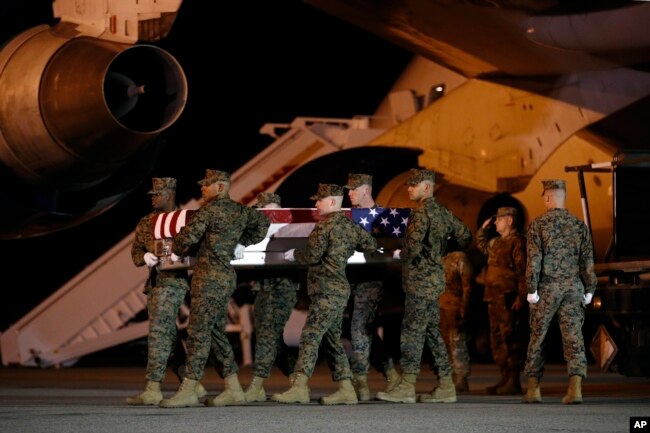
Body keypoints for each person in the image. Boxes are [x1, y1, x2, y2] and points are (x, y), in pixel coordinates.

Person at [159, 169, 270, 408]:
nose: (202, 188)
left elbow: (183, 240)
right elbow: (263, 224)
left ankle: (189, 389)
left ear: (220, 187)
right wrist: (242, 242)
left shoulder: (207, 212)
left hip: (208, 279)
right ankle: (233, 389)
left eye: (207, 185)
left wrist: (177, 244)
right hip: (226, 277)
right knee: (217, 334)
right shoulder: (241, 211)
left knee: (198, 332)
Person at [271, 183, 378, 405]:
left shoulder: (324, 227)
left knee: (310, 336)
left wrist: (293, 255)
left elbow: (311, 256)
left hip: (326, 291)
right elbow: (370, 244)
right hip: (338, 290)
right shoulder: (351, 226)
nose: (316, 204)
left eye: (319, 200)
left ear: (332, 202)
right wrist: (344, 251)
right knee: (332, 341)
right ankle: (347, 389)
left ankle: (299, 387)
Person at [376, 168, 472, 404]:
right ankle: (447, 385)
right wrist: (440, 251)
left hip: (419, 282)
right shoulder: (444, 213)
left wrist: (400, 253)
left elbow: (412, 250)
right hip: (435, 280)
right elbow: (466, 236)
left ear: (427, 188)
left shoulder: (420, 215)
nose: (409, 188)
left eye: (413, 185)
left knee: (412, 332)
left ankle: (407, 386)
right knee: (432, 333)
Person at [126, 177, 208, 405]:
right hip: (153, 284)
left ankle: (153, 387)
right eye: (151, 195)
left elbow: (198, 246)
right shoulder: (146, 222)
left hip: (173, 282)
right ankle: (192, 383)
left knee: (158, 334)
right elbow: (136, 249)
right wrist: (143, 256)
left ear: (170, 194)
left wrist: (183, 256)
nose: (153, 198)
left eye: (157, 194)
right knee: (167, 336)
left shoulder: (185, 221)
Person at [523, 179, 597, 404]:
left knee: (538, 337)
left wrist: (531, 289)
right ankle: (575, 389)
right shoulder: (579, 225)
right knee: (574, 338)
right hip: (574, 288)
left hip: (547, 287)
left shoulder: (538, 225)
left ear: (547, 197)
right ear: (564, 197)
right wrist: (590, 289)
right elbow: (587, 261)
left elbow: (534, 260)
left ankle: (533, 389)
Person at [344, 173, 400, 401]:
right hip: (351, 279)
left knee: (359, 328)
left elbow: (394, 244)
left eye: (353, 189)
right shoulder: (347, 217)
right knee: (361, 329)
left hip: (371, 279)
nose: (349, 193)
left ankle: (361, 383)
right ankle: (391, 374)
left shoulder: (384, 217)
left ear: (366, 190)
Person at [243, 192, 301, 402]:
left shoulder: (291, 229)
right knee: (272, 338)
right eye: (266, 210)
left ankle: (257, 385)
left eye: (274, 209)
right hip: (262, 286)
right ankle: (298, 381)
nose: (271, 215)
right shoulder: (255, 230)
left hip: (283, 285)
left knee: (269, 335)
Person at [476, 207, 528, 395]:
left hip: (508, 297)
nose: (496, 222)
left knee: (510, 338)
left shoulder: (518, 242)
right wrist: (483, 228)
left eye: (499, 219)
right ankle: (504, 378)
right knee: (496, 338)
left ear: (510, 221)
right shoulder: (497, 243)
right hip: (493, 298)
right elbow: (481, 245)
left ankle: (513, 380)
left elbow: (523, 272)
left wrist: (521, 297)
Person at [440, 250, 474, 393]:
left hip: (454, 306)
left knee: (457, 343)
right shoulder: (439, 257)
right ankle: (449, 377)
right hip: (440, 306)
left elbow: (467, 284)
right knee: (445, 343)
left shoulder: (459, 257)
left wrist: (464, 308)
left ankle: (461, 378)